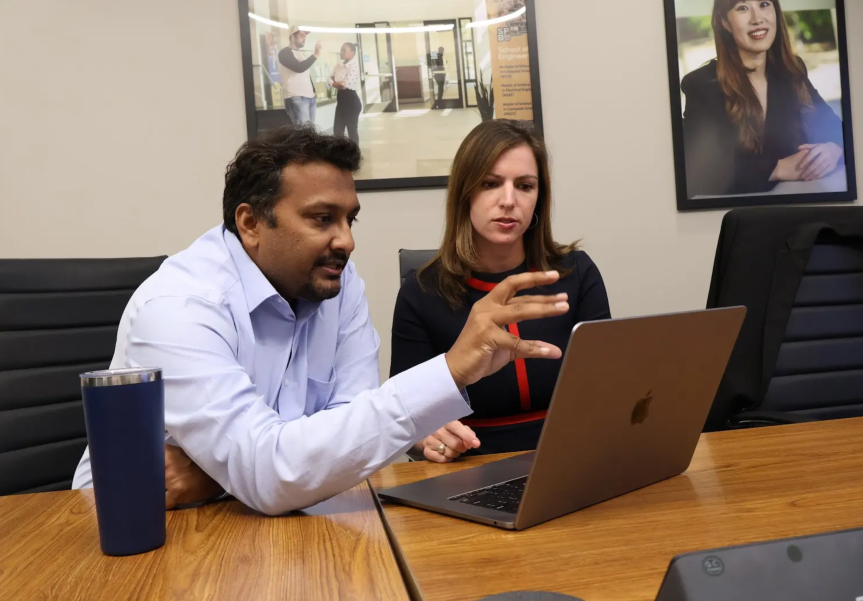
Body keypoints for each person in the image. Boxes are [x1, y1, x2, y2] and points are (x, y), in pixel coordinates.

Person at [71, 125, 571, 515]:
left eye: (349, 219)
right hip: (134, 526)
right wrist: (452, 370)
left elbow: (348, 437)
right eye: (321, 218)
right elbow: (279, 471)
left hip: (277, 512)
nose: (347, 241)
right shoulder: (179, 308)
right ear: (250, 223)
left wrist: (215, 474)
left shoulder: (335, 282)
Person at [390, 120, 611, 462]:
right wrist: (427, 439)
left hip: (569, 458)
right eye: (491, 184)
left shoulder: (577, 273)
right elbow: (405, 418)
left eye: (525, 186)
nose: (509, 201)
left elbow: (605, 387)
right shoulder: (420, 292)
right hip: (469, 466)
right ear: (465, 192)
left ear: (539, 197)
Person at [681, 0, 845, 198]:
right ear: (725, 22)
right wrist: (776, 168)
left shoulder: (792, 70)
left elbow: (838, 129)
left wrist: (833, 149)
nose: (757, 18)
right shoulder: (700, 84)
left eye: (764, 4)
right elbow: (700, 171)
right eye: (742, 8)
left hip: (801, 204)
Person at [278, 26, 322, 125]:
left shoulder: (300, 54)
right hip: (296, 97)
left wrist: (313, 92)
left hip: (309, 97)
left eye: (305, 37)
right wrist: (315, 54)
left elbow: (306, 74)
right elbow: (298, 68)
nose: (304, 39)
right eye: (302, 35)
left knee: (311, 132)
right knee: (302, 133)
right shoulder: (285, 53)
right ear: (293, 37)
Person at [329, 42, 362, 145]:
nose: (341, 52)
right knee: (337, 130)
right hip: (341, 100)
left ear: (352, 52)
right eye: (341, 50)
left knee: (352, 130)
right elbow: (329, 78)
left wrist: (334, 83)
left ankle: (354, 153)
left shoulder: (353, 66)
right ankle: (341, 153)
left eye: (344, 50)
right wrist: (336, 83)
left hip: (351, 100)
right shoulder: (338, 66)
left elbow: (345, 84)